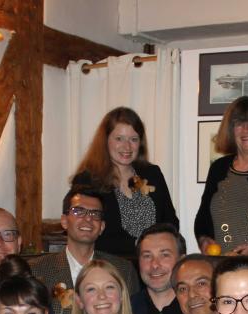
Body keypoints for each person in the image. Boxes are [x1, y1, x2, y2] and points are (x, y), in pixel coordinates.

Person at [30, 186, 139, 314]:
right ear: (64, 221)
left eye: (95, 214)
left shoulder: (123, 270)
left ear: (101, 227)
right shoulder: (37, 270)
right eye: (78, 211)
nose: (88, 218)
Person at [71, 107, 179, 256]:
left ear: (140, 143)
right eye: (119, 138)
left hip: (153, 266)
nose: (127, 146)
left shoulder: (152, 173)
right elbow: (89, 231)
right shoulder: (87, 180)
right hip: (110, 267)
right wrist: (139, 245)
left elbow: (171, 222)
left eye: (133, 139)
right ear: (105, 140)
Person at [193, 96, 248, 255]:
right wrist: (204, 240)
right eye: (239, 123)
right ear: (231, 130)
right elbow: (203, 217)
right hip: (218, 265)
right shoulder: (218, 168)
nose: (246, 129)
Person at [131, 223, 185, 314]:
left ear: (182, 261)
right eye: (147, 256)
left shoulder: (197, 309)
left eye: (164, 255)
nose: (154, 265)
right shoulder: (124, 311)